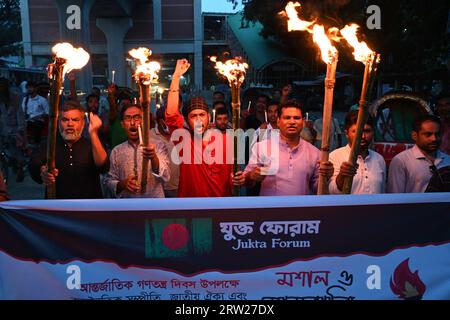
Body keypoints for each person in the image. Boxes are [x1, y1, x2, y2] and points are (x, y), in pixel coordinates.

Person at [165, 59, 244, 197]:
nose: (198, 119)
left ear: (209, 116)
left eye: (202, 115)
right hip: (192, 207)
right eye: (193, 116)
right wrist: (176, 76)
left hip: (221, 206)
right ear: (187, 120)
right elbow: (171, 114)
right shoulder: (184, 141)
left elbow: (233, 174)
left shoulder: (227, 141)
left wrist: (239, 178)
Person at [244, 100, 334, 196]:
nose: (292, 122)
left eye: (296, 118)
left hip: (301, 209)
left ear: (303, 122)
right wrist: (251, 176)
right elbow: (246, 183)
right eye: (287, 118)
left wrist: (326, 177)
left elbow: (318, 190)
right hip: (270, 209)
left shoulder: (315, 153)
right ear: (278, 121)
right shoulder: (261, 147)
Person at [29, 101, 109, 199]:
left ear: (83, 123)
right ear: (58, 122)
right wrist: (42, 172)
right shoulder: (49, 145)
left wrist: (93, 133)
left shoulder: (92, 144)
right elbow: (34, 164)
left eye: (75, 120)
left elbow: (104, 167)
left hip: (89, 207)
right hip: (57, 208)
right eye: (65, 120)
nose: (70, 124)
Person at [104, 104, 169, 198]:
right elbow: (108, 182)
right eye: (128, 118)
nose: (132, 123)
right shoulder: (116, 151)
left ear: (144, 122)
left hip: (154, 206)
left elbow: (166, 176)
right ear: (122, 124)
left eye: (137, 117)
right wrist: (122, 184)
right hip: (128, 207)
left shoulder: (158, 145)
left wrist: (153, 157)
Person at [388, 114, 450, 193]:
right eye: (428, 134)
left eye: (437, 134)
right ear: (414, 135)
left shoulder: (448, 160)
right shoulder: (401, 161)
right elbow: (395, 197)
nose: (434, 139)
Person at [329, 111, 386, 194]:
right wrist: (342, 175)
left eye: (367, 131)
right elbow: (331, 192)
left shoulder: (379, 159)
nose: (362, 136)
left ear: (373, 132)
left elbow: (383, 193)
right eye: (356, 132)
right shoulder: (335, 156)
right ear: (346, 133)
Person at [0, 78, 26, 182]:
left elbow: (20, 113)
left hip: (14, 127)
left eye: (2, 86)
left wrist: (20, 129)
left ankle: (19, 167)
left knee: (15, 152)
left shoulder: (16, 97)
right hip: (2, 127)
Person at [21, 81, 49, 146]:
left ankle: (36, 143)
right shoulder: (25, 99)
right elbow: (22, 111)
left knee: (37, 125)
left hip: (39, 120)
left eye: (31, 87)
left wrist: (38, 116)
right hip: (28, 120)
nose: (29, 89)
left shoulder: (42, 100)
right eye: (28, 88)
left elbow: (48, 113)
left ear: (36, 89)